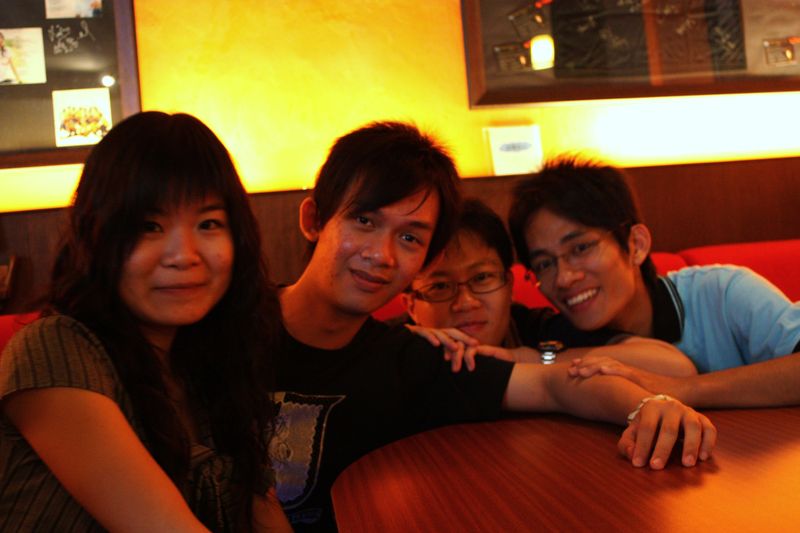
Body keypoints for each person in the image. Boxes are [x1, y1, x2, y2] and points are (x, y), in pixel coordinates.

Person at [273, 121, 715, 531]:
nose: (381, 255)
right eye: (364, 221)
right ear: (314, 220)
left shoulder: (417, 356)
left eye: (409, 237)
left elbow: (555, 384)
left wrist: (646, 405)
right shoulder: (236, 327)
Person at [0, 112, 291, 532]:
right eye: (149, 226)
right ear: (97, 236)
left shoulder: (211, 363)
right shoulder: (53, 350)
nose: (184, 255)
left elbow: (264, 514)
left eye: (208, 224)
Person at [507, 156, 800, 408]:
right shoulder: (558, 337)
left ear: (636, 244)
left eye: (581, 248)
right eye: (544, 264)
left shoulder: (722, 293)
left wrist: (682, 389)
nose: (563, 278)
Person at [402, 197, 697, 376]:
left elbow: (673, 365)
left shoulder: (538, 332)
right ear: (411, 305)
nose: (466, 302)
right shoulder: (395, 348)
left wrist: (534, 359)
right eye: (440, 287)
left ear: (509, 286)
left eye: (481, 278)